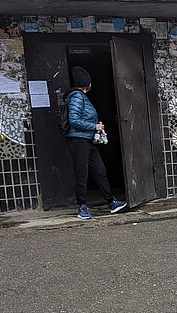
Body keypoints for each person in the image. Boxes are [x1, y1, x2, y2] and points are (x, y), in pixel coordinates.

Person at [64, 66, 126, 220]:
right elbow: (74, 120)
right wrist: (94, 126)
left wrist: (95, 132)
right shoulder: (77, 97)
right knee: (82, 174)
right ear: (87, 84)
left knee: (100, 171)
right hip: (79, 141)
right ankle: (82, 207)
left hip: (87, 140)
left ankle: (111, 202)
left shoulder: (81, 97)